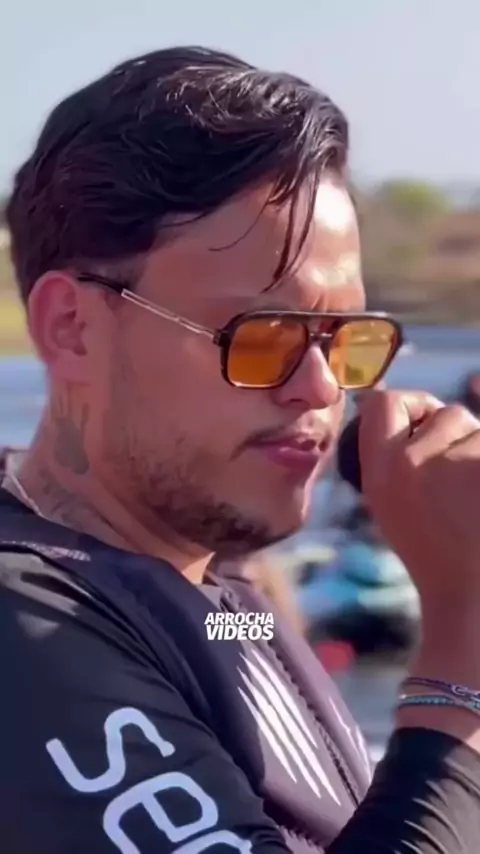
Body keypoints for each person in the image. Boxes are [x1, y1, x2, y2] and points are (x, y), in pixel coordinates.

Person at [1, 46, 480, 853]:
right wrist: (464, 645)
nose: (321, 388)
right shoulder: (27, 630)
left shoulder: (218, 580)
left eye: (346, 338)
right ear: (73, 328)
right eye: (264, 337)